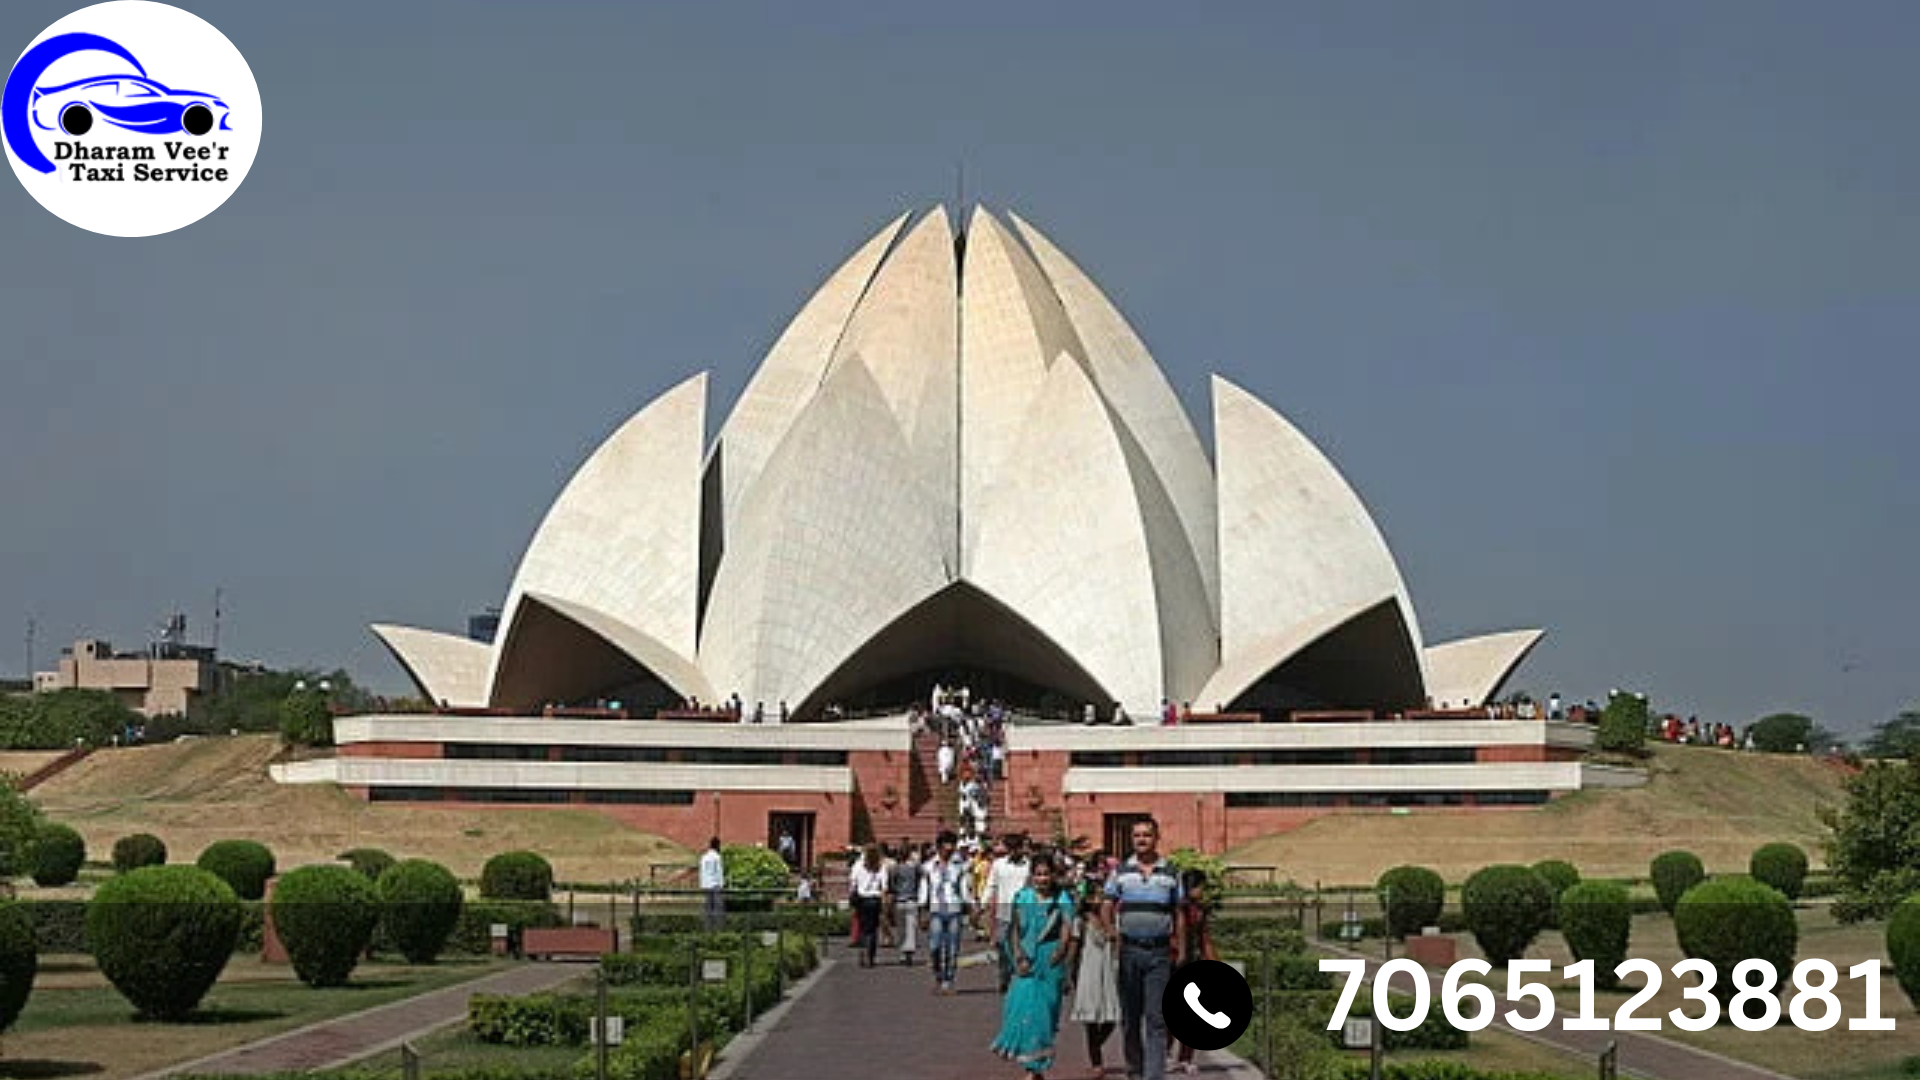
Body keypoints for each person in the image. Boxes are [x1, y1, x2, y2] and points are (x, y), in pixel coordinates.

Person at [1104, 818, 1182, 1080]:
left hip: (1159, 953)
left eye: (1147, 835)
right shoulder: (1121, 872)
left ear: (1156, 837)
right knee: (1130, 1018)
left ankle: (1153, 1075)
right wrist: (1112, 933)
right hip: (1130, 952)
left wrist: (1179, 945)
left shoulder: (1170, 872)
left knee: (1157, 1018)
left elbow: (1178, 911)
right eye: (1137, 835)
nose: (1141, 840)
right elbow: (1106, 905)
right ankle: (1135, 1070)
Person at [990, 852, 1077, 1078]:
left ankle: (1036, 1068)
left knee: (1045, 1015)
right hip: (1026, 960)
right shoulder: (1023, 897)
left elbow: (1068, 928)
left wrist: (1060, 952)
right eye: (1038, 874)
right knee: (1021, 1009)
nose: (1042, 879)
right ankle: (1032, 1068)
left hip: (1050, 961)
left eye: (1046, 874)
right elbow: (1015, 929)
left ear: (1053, 875)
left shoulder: (1062, 898)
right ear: (1032, 876)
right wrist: (1018, 956)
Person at [1070, 855, 1122, 1080]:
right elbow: (1073, 945)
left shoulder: (1113, 919)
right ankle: (1096, 1060)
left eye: (1101, 894)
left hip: (1109, 970)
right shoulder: (1081, 921)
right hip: (1088, 970)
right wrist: (1068, 973)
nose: (1097, 898)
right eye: (1093, 894)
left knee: (1111, 1017)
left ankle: (1096, 1046)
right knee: (1091, 1017)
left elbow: (1119, 942)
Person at [1172, 868, 1219, 1076]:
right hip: (1171, 963)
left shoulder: (1200, 910)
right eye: (1199, 887)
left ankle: (1185, 1057)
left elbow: (1205, 939)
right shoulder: (1173, 908)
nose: (1201, 891)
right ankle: (1163, 1053)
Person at [921, 829, 972, 993]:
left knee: (953, 948)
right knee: (934, 946)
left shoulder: (959, 867)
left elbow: (964, 889)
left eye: (952, 845)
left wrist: (971, 906)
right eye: (946, 845)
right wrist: (922, 910)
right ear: (939, 846)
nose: (949, 848)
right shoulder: (928, 867)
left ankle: (948, 980)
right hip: (936, 909)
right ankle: (938, 975)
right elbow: (924, 889)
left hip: (954, 909)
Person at [986, 835, 1033, 993]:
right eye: (1010, 848)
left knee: (1022, 945)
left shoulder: (1029, 865)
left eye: (1017, 848)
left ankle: (1017, 975)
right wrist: (982, 905)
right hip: (1004, 911)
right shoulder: (998, 865)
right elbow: (991, 886)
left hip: (1024, 911)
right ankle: (1004, 973)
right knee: (1002, 945)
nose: (1014, 851)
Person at [850, 844, 888, 967]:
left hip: (862, 899)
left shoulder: (858, 865)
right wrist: (883, 902)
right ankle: (870, 956)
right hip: (875, 899)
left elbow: (853, 883)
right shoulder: (880, 866)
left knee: (862, 927)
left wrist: (852, 897)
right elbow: (884, 887)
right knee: (872, 930)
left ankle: (863, 953)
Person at [892, 843, 922, 966]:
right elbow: (921, 879)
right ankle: (909, 951)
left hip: (900, 899)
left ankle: (902, 953)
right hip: (912, 899)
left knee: (901, 928)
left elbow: (892, 883)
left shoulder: (896, 868)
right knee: (911, 928)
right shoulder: (915, 867)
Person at [698, 837, 726, 931]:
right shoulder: (717, 857)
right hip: (715, 885)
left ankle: (707, 927)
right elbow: (719, 872)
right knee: (718, 906)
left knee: (707, 907)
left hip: (706, 884)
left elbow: (701, 872)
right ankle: (718, 928)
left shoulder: (704, 857)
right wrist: (721, 884)